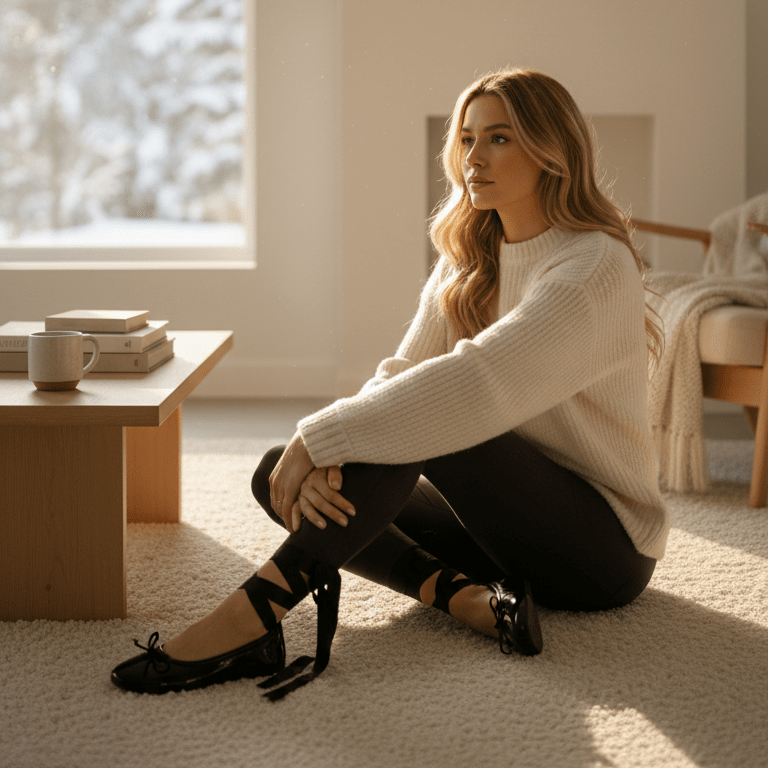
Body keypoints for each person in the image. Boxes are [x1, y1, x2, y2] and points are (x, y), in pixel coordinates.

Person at [111, 68, 669, 699]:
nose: (473, 158)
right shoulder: (471, 256)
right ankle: (462, 600)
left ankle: (253, 616)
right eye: (466, 139)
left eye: (500, 139)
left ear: (553, 150)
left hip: (599, 552)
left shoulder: (594, 265)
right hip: (500, 533)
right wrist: (323, 447)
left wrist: (325, 436)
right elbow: (400, 374)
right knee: (282, 475)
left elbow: (475, 383)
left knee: (428, 422)